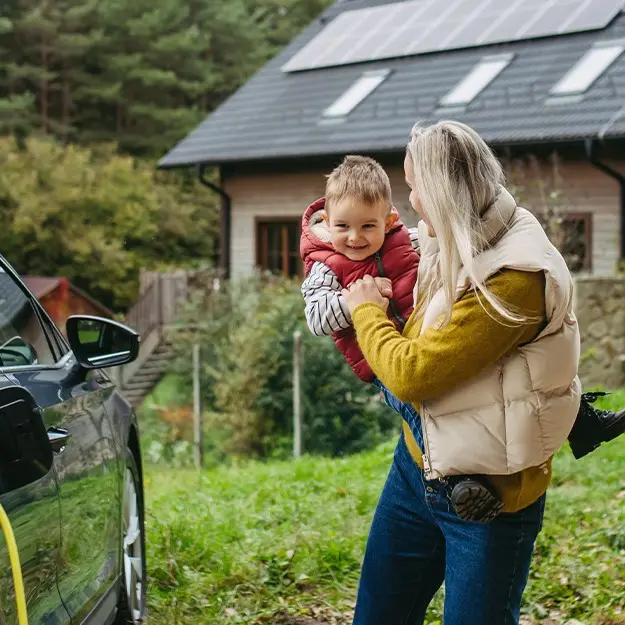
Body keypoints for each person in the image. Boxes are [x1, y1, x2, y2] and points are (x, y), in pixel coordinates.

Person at [300, 152, 625, 525]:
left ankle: (580, 421)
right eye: (343, 227)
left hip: (421, 335)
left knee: (518, 373)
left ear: (388, 219)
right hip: (379, 358)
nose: (355, 238)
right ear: (326, 220)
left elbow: (434, 249)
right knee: (422, 411)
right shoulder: (324, 265)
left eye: (367, 227)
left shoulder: (400, 238)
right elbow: (317, 318)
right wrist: (358, 300)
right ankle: (460, 481)